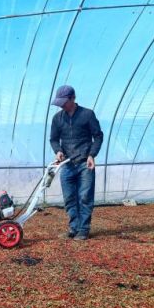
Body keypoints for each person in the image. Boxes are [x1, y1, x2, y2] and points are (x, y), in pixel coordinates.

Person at [49, 85, 103, 240]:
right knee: (69, 198)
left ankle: (83, 229)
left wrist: (92, 155)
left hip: (85, 163)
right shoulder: (58, 119)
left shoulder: (87, 115)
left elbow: (98, 136)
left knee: (85, 197)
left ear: (73, 98)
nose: (61, 105)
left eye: (64, 102)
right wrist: (58, 150)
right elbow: (53, 139)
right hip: (66, 164)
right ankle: (74, 228)